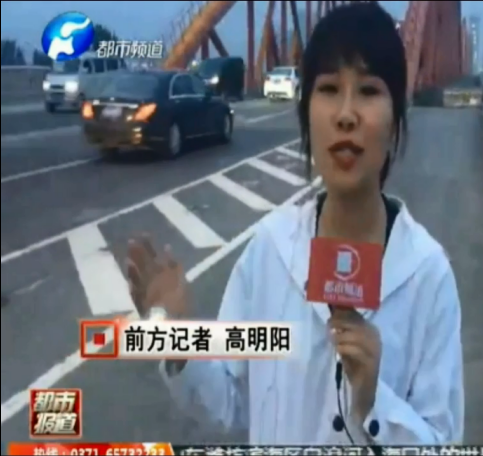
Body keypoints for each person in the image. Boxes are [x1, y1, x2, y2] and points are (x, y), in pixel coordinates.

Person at [127, 2, 463, 445]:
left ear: (396, 118)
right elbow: (232, 403)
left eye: (368, 90)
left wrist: (374, 403)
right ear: (306, 113)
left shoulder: (427, 275)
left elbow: (445, 439)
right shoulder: (271, 249)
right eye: (329, 89)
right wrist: (180, 339)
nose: (346, 114)